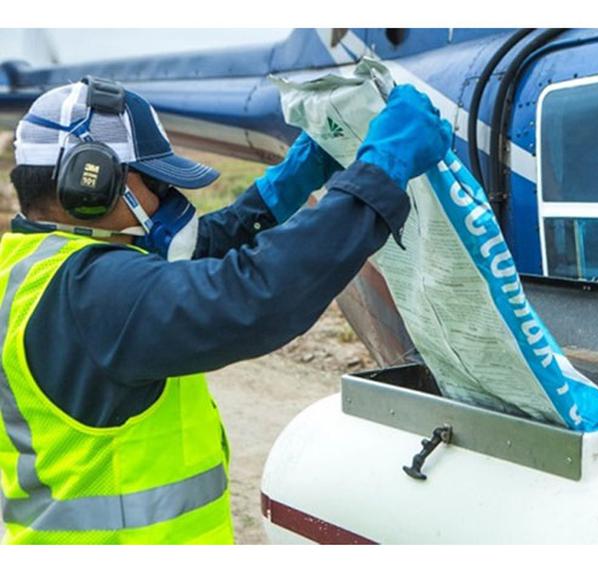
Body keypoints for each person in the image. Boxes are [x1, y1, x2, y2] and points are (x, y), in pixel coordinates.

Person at [0, 76, 452, 544]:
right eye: (155, 183)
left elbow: (196, 255)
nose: (165, 201)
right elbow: (256, 297)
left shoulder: (33, 271)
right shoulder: (95, 293)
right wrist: (379, 174)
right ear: (90, 183)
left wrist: (286, 185)